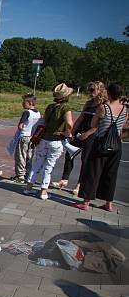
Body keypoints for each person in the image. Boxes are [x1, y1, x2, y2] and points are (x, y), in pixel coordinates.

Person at [75, 83, 127, 212]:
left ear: (108, 93)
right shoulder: (125, 109)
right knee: (111, 174)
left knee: (92, 172)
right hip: (116, 145)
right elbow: (123, 126)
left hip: (101, 143)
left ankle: (86, 202)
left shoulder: (103, 107)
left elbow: (94, 124)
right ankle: (108, 203)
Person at [51, 81, 107, 195]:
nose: (90, 93)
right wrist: (72, 132)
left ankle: (79, 184)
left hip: (92, 134)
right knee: (69, 154)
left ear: (100, 90)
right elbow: (80, 118)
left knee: (85, 159)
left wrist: (87, 133)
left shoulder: (103, 105)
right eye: (89, 90)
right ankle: (64, 179)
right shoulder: (89, 103)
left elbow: (100, 124)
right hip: (80, 131)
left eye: (92, 90)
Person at [25, 83, 74, 200]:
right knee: (49, 166)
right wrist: (68, 132)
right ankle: (43, 191)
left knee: (37, 163)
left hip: (44, 139)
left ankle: (28, 187)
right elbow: (69, 123)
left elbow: (44, 121)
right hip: (56, 140)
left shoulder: (50, 107)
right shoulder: (65, 108)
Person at [10, 94, 41, 183]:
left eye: (24, 102)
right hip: (32, 137)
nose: (22, 104)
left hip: (24, 136)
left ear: (30, 103)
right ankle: (28, 175)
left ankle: (20, 176)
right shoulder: (38, 113)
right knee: (29, 157)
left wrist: (22, 127)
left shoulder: (27, 113)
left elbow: (20, 126)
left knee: (20, 156)